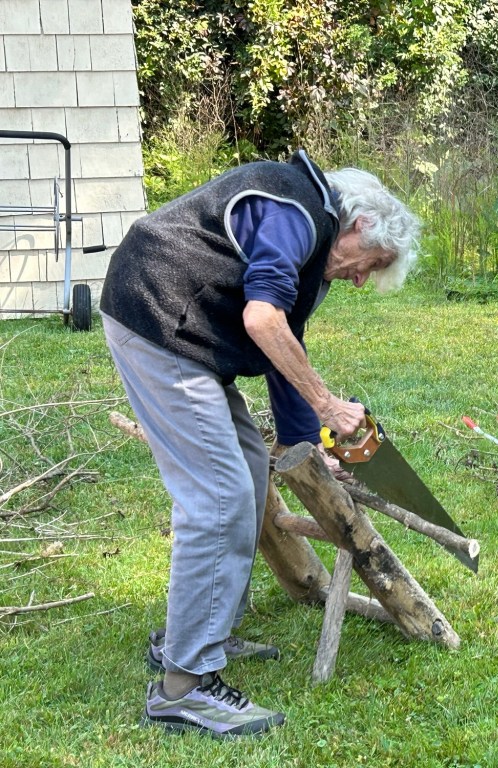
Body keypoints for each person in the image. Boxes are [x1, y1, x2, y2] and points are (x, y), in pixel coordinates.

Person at [100, 150, 419, 737]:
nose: (360, 278)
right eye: (369, 264)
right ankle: (184, 687)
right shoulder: (295, 212)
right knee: (218, 497)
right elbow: (262, 321)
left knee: (248, 472)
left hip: (186, 332)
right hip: (158, 317)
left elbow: (282, 340)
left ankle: (200, 634)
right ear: (359, 225)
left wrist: (307, 447)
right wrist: (328, 405)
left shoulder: (310, 234)